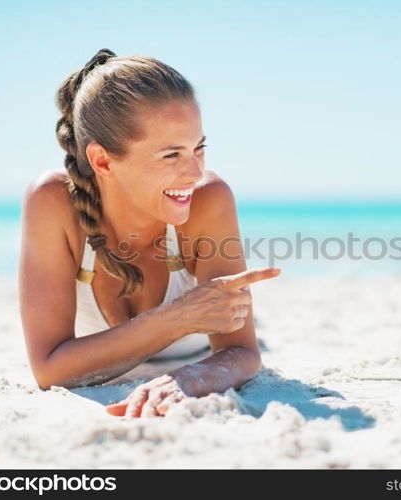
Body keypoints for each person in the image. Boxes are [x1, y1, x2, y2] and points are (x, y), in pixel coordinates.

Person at [18, 48, 281, 418]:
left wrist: (190, 378)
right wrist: (177, 317)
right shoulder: (53, 202)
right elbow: (48, 369)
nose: (193, 172)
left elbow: (242, 353)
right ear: (102, 160)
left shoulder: (209, 199)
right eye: (171, 155)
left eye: (199, 148)